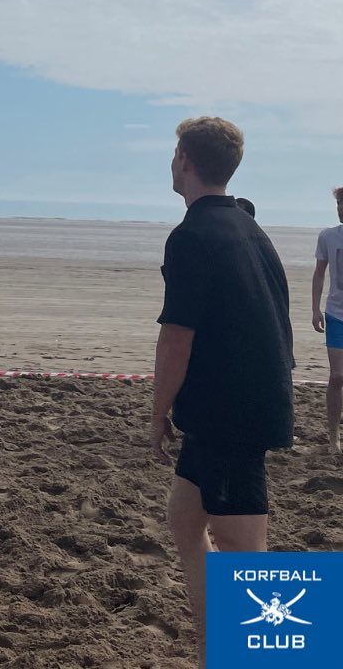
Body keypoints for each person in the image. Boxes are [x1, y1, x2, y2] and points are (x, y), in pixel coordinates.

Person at [150, 117, 293, 667]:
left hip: (234, 413)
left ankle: (271, 656)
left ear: (185, 159)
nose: (171, 161)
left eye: (172, 153)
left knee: (245, 553)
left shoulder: (191, 235)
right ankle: (219, 647)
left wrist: (158, 412)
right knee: (185, 517)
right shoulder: (247, 225)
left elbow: (175, 340)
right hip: (239, 403)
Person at [311, 186, 343, 452]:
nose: (341, 209)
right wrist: (315, 308)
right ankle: (333, 438)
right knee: (337, 376)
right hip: (336, 314)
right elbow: (319, 274)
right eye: (339, 204)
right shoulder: (328, 236)